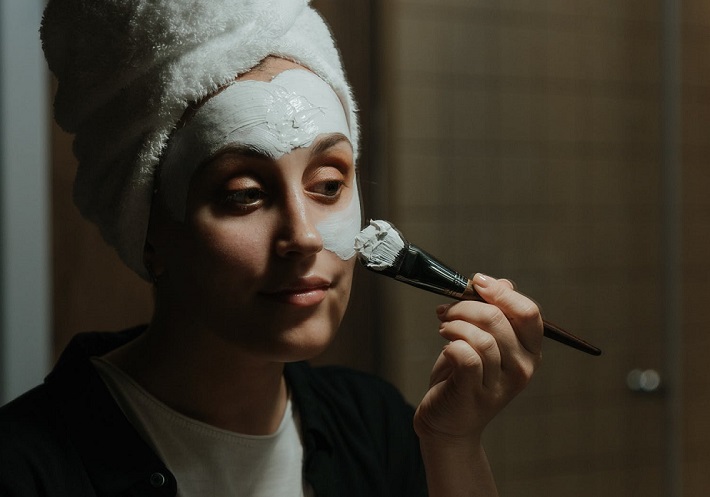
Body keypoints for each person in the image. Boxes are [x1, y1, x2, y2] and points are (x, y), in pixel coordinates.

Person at [0, 1, 543, 496]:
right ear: (148, 231)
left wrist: (453, 443)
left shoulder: (379, 427)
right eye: (245, 195)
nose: (305, 236)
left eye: (329, 185)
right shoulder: (28, 469)